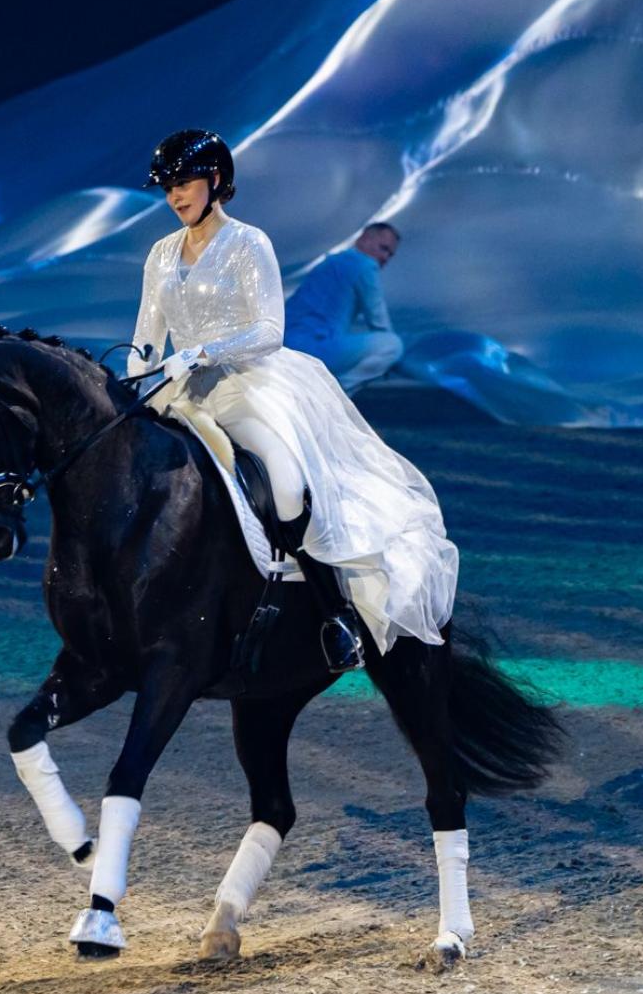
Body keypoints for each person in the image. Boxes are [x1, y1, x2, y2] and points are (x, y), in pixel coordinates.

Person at [128, 129, 458, 674]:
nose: (175, 197)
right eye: (168, 189)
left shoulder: (248, 243)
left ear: (215, 182)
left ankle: (335, 617)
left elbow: (269, 331)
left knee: (283, 483)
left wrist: (203, 352)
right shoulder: (161, 254)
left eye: (183, 184)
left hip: (243, 383)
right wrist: (137, 377)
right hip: (178, 392)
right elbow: (146, 334)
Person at [284, 223, 404, 396]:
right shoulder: (364, 265)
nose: (385, 257)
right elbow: (379, 323)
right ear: (363, 240)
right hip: (312, 349)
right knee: (392, 345)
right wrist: (397, 363)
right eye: (383, 248)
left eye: (390, 254)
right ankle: (336, 395)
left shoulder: (330, 262)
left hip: (286, 347)